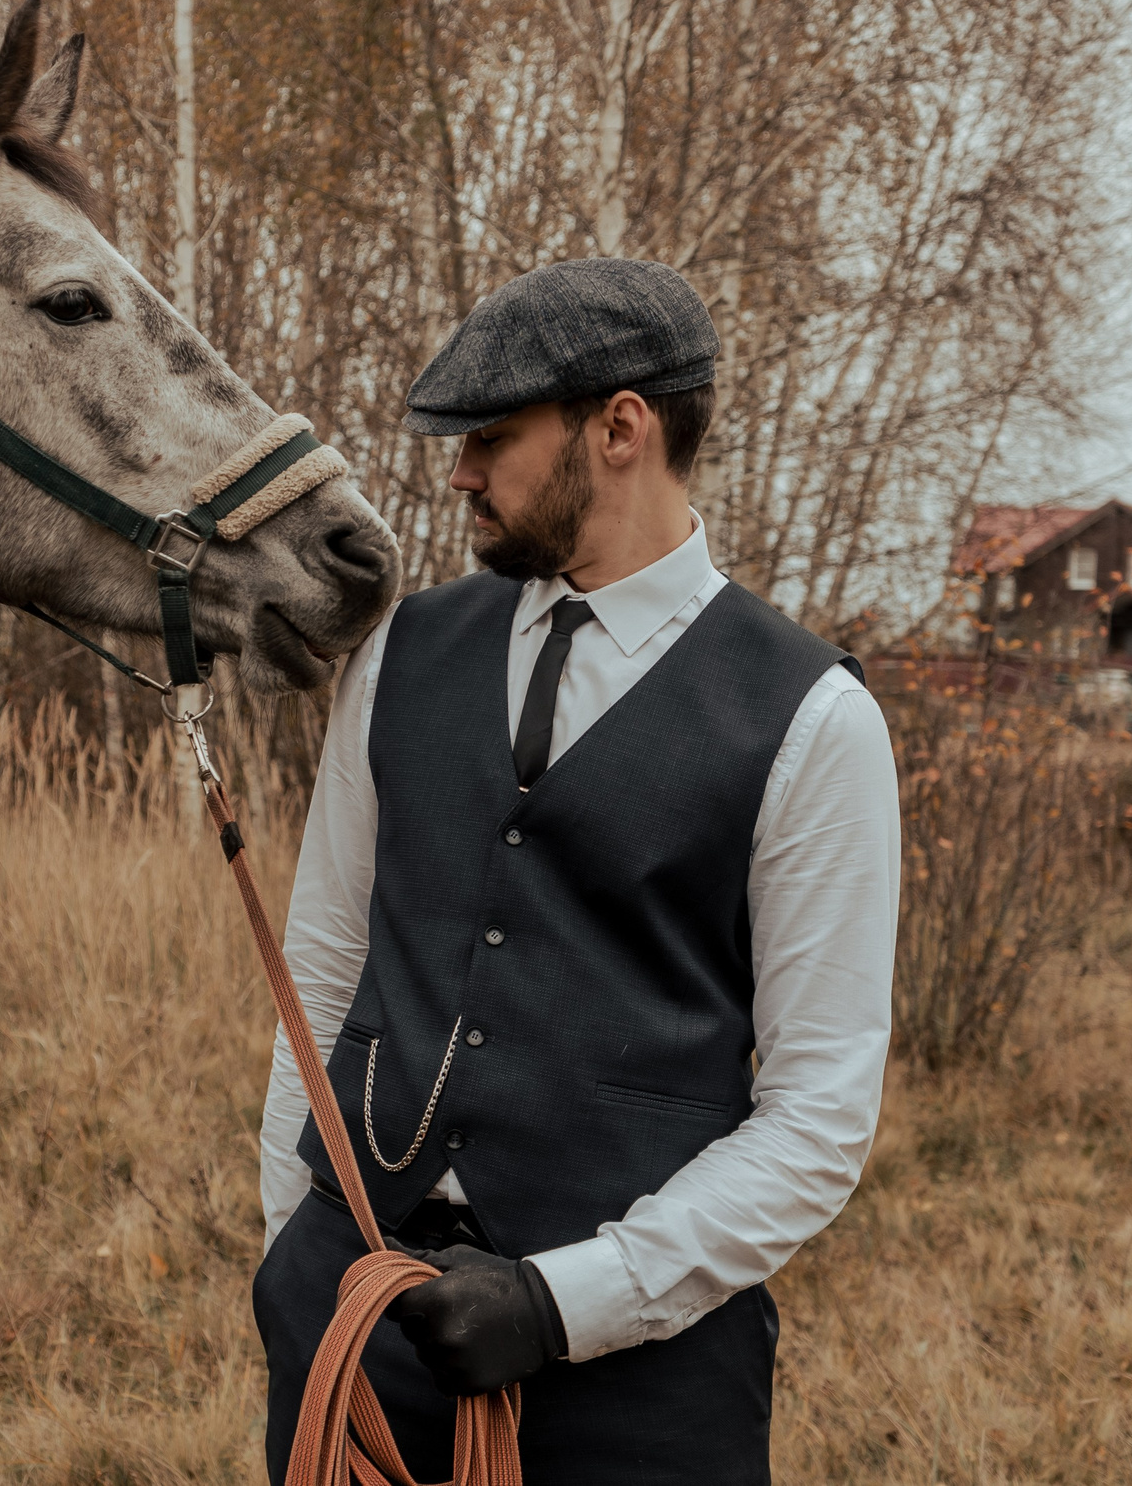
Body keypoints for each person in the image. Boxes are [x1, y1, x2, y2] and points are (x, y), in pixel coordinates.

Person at [251, 258, 901, 1484]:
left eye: (490, 437)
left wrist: (560, 1304)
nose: (458, 472)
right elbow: (325, 960)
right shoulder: (397, 657)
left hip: (636, 1388)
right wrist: (296, 1248)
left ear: (619, 428)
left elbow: (818, 1118)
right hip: (353, 1325)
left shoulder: (812, 721)